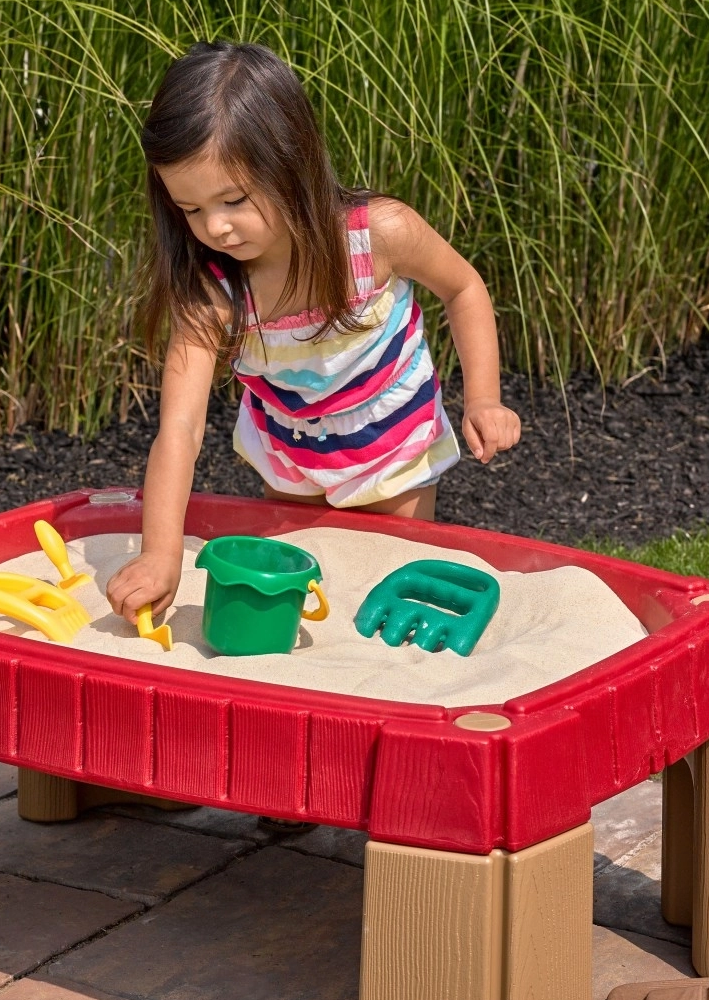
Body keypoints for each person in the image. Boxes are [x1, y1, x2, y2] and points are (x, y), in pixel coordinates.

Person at [107, 41, 520, 625]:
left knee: (394, 568)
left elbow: (464, 288)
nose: (215, 227)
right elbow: (180, 427)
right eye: (190, 210)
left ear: (291, 162)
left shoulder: (376, 234)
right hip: (290, 445)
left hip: (392, 439)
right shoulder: (213, 290)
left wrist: (482, 398)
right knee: (304, 568)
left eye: (233, 200)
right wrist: (159, 554)